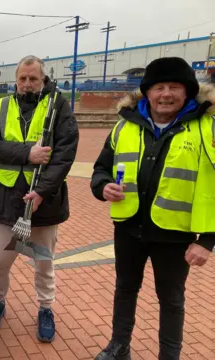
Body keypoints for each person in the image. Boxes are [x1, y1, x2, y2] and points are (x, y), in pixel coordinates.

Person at [90, 57, 215, 360]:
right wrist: (102, 186)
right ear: (147, 92)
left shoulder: (207, 128)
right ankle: (119, 347)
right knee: (125, 291)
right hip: (129, 228)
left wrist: (209, 241)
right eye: (159, 87)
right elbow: (100, 169)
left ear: (187, 92)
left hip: (175, 234)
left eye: (174, 87)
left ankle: (168, 356)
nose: (166, 94)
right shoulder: (125, 126)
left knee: (171, 300)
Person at [0, 55, 79, 342]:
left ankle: (45, 308)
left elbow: (65, 153)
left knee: (43, 263)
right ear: (16, 79)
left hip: (44, 201)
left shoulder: (58, 106)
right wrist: (27, 152)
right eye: (22, 78)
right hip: (5, 199)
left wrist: (42, 191)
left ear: (42, 79)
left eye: (33, 78)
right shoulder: (0, 107)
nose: (27, 83)